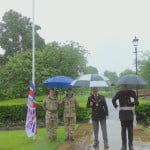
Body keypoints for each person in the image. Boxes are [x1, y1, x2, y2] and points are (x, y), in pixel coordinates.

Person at [112, 84, 139, 150]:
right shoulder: (119, 93)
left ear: (128, 86)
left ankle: (131, 145)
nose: (125, 87)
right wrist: (116, 107)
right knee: (123, 130)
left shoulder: (132, 92)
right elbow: (113, 100)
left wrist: (132, 102)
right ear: (122, 86)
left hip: (130, 114)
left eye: (126, 85)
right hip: (122, 114)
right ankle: (123, 145)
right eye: (124, 86)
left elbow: (137, 102)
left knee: (130, 130)